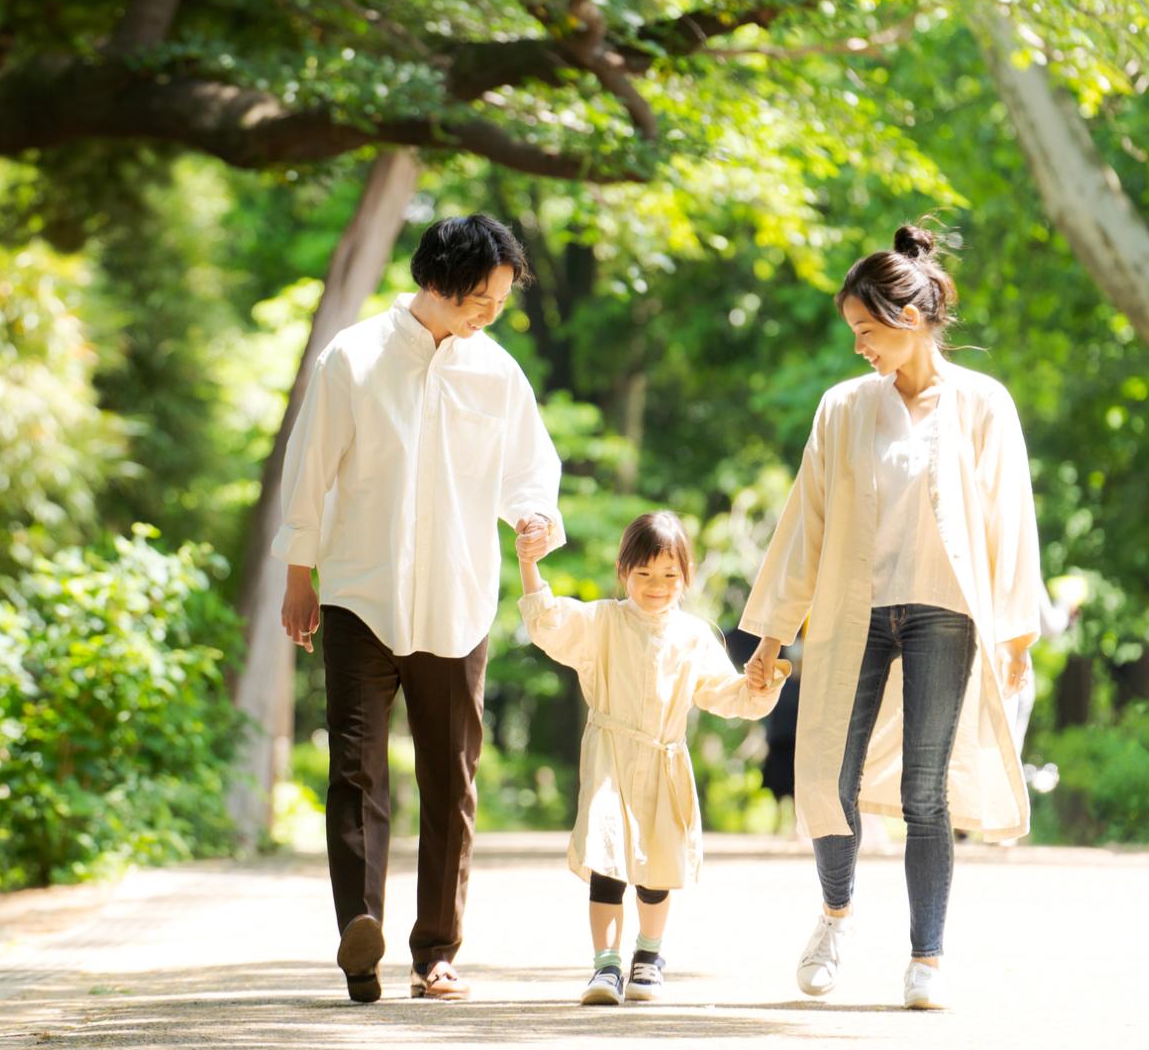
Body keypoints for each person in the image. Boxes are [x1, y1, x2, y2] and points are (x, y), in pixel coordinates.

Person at [741, 220, 1048, 1011]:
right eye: (853, 332)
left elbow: (1011, 522)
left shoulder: (984, 405)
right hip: (857, 613)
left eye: (866, 330)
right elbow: (804, 525)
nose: (859, 347)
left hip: (947, 612)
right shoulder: (844, 409)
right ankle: (835, 915)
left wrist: (1015, 635)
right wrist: (772, 635)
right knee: (827, 776)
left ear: (911, 320)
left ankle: (927, 958)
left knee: (926, 789)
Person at [273, 213, 566, 1004]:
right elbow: (310, 470)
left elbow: (532, 469)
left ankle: (436, 951)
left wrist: (535, 515)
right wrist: (298, 574)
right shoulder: (354, 358)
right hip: (359, 597)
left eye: (501, 300)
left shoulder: (497, 374)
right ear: (437, 282)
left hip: (456, 599)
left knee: (450, 781)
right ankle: (359, 938)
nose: (491, 313)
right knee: (355, 771)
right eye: (482, 297)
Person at [516, 511, 789, 1006]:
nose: (656, 585)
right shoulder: (601, 621)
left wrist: (757, 684)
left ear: (686, 577)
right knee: (607, 861)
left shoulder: (693, 636)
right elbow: (548, 621)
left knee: (657, 868)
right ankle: (605, 965)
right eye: (643, 574)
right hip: (610, 763)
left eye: (669, 575)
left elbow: (726, 695)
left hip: (666, 762)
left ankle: (650, 955)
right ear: (624, 572)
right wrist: (530, 566)